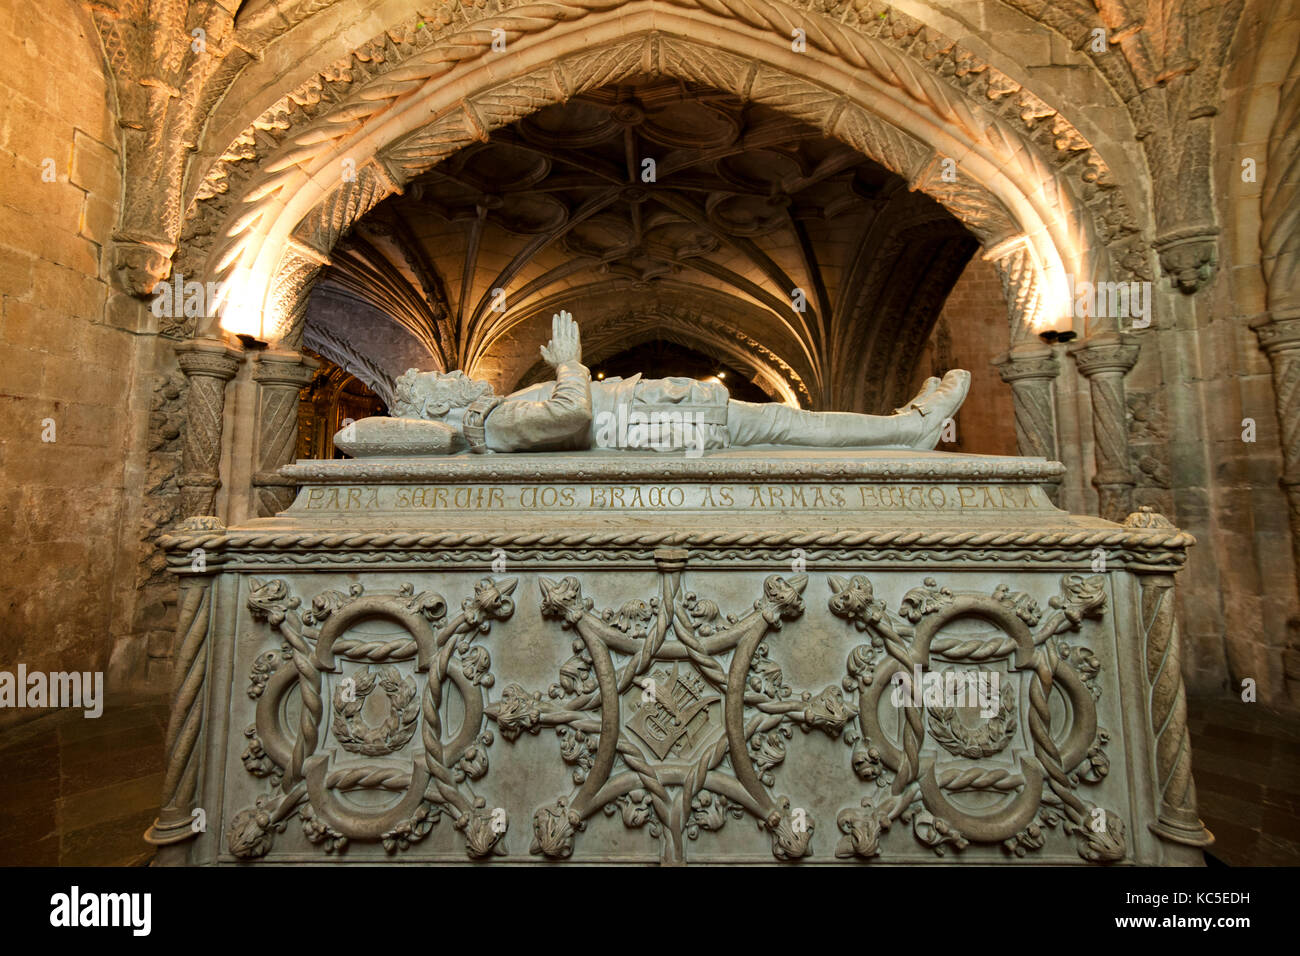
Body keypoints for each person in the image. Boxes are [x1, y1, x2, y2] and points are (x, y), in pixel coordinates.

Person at [341, 311, 970, 456]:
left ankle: (900, 428)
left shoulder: (494, 414)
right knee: (788, 425)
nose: (454, 375)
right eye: (441, 383)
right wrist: (568, 361)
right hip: (656, 422)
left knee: (788, 426)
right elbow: (568, 416)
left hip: (654, 412)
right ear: (438, 411)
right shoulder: (493, 423)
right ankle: (905, 430)